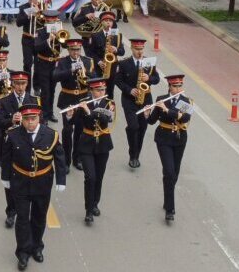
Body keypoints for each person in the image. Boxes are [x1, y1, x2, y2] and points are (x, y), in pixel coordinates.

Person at [0, 101, 66, 271]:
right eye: (27, 119)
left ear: (39, 118)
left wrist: (61, 180)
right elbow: (6, 157)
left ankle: (37, 246)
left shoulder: (51, 135)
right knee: (22, 219)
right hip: (20, 181)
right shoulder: (13, 134)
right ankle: (22, 252)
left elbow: (59, 157)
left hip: (42, 182)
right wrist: (5, 178)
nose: (30, 122)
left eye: (33, 118)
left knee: (38, 217)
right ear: (21, 119)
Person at [0, 71, 41, 228]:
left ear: (27, 84)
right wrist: (11, 120)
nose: (20, 87)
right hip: (11, 146)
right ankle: (11, 211)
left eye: (23, 84)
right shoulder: (5, 101)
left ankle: (26, 209)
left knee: (27, 178)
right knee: (10, 181)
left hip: (29, 146)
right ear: (12, 84)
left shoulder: (34, 100)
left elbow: (42, 123)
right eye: (17, 83)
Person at [146, 74, 192, 222]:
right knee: (169, 171)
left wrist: (167, 110)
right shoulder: (160, 99)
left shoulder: (186, 101)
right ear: (169, 87)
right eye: (175, 86)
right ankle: (170, 210)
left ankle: (167, 198)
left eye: (180, 86)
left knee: (175, 172)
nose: (178, 89)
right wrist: (147, 114)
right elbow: (152, 121)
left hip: (179, 138)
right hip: (163, 138)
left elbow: (184, 118)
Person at [71, 77, 115, 223]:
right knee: (90, 177)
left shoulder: (109, 103)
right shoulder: (83, 101)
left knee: (99, 177)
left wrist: (88, 112)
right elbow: (76, 122)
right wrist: (71, 114)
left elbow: (105, 119)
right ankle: (88, 210)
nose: (102, 92)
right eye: (98, 90)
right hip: (86, 144)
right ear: (91, 91)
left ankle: (95, 203)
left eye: (103, 89)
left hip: (103, 143)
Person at [114, 38, 160, 169]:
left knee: (142, 128)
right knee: (133, 127)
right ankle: (132, 154)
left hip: (145, 99)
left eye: (141, 49)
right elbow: (117, 80)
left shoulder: (149, 63)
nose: (139, 52)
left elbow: (157, 79)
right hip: (129, 101)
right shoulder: (124, 64)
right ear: (132, 49)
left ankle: (136, 155)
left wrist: (149, 78)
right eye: (137, 49)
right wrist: (129, 90)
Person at [53, 38, 97, 170]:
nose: (75, 52)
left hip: (83, 99)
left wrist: (86, 71)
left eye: (78, 49)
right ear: (68, 50)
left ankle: (76, 158)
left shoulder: (87, 61)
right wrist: (71, 70)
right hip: (68, 99)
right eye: (73, 50)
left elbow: (95, 78)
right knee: (67, 131)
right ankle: (66, 161)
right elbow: (55, 76)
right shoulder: (62, 62)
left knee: (80, 130)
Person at [33, 10, 64, 123]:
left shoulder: (59, 30)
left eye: (54, 19)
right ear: (46, 20)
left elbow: (65, 44)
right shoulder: (40, 31)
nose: (52, 21)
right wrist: (48, 40)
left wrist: (60, 35)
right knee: (45, 91)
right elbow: (36, 48)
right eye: (49, 20)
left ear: (56, 20)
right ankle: (43, 115)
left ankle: (50, 113)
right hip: (43, 64)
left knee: (52, 90)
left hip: (55, 64)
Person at [15, 0, 42, 78]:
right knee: (27, 63)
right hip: (27, 38)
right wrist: (28, 16)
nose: (32, 1)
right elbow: (18, 23)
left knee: (38, 64)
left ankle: (37, 87)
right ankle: (26, 88)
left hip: (39, 39)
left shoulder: (43, 7)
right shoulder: (23, 7)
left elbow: (48, 23)